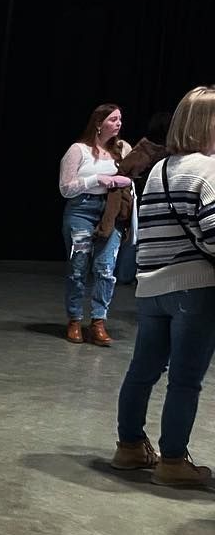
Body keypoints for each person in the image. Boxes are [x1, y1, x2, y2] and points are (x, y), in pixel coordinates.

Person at [111, 86, 215, 488]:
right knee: (185, 380)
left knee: (142, 371)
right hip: (194, 288)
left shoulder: (159, 170)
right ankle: (173, 460)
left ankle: (130, 447)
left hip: (152, 289)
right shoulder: (208, 170)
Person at [59, 104, 132, 344]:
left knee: (105, 268)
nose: (118, 123)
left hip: (110, 211)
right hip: (82, 210)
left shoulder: (122, 149)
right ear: (99, 123)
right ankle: (74, 319)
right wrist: (97, 179)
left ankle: (98, 321)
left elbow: (131, 177)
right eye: (113, 119)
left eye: (120, 119)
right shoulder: (78, 150)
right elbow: (65, 188)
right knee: (78, 267)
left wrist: (124, 182)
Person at [103, 112, 173, 284]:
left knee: (139, 238)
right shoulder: (150, 150)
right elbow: (125, 171)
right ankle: (127, 274)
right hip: (146, 200)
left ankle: (131, 274)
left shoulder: (151, 148)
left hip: (151, 199)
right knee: (136, 238)